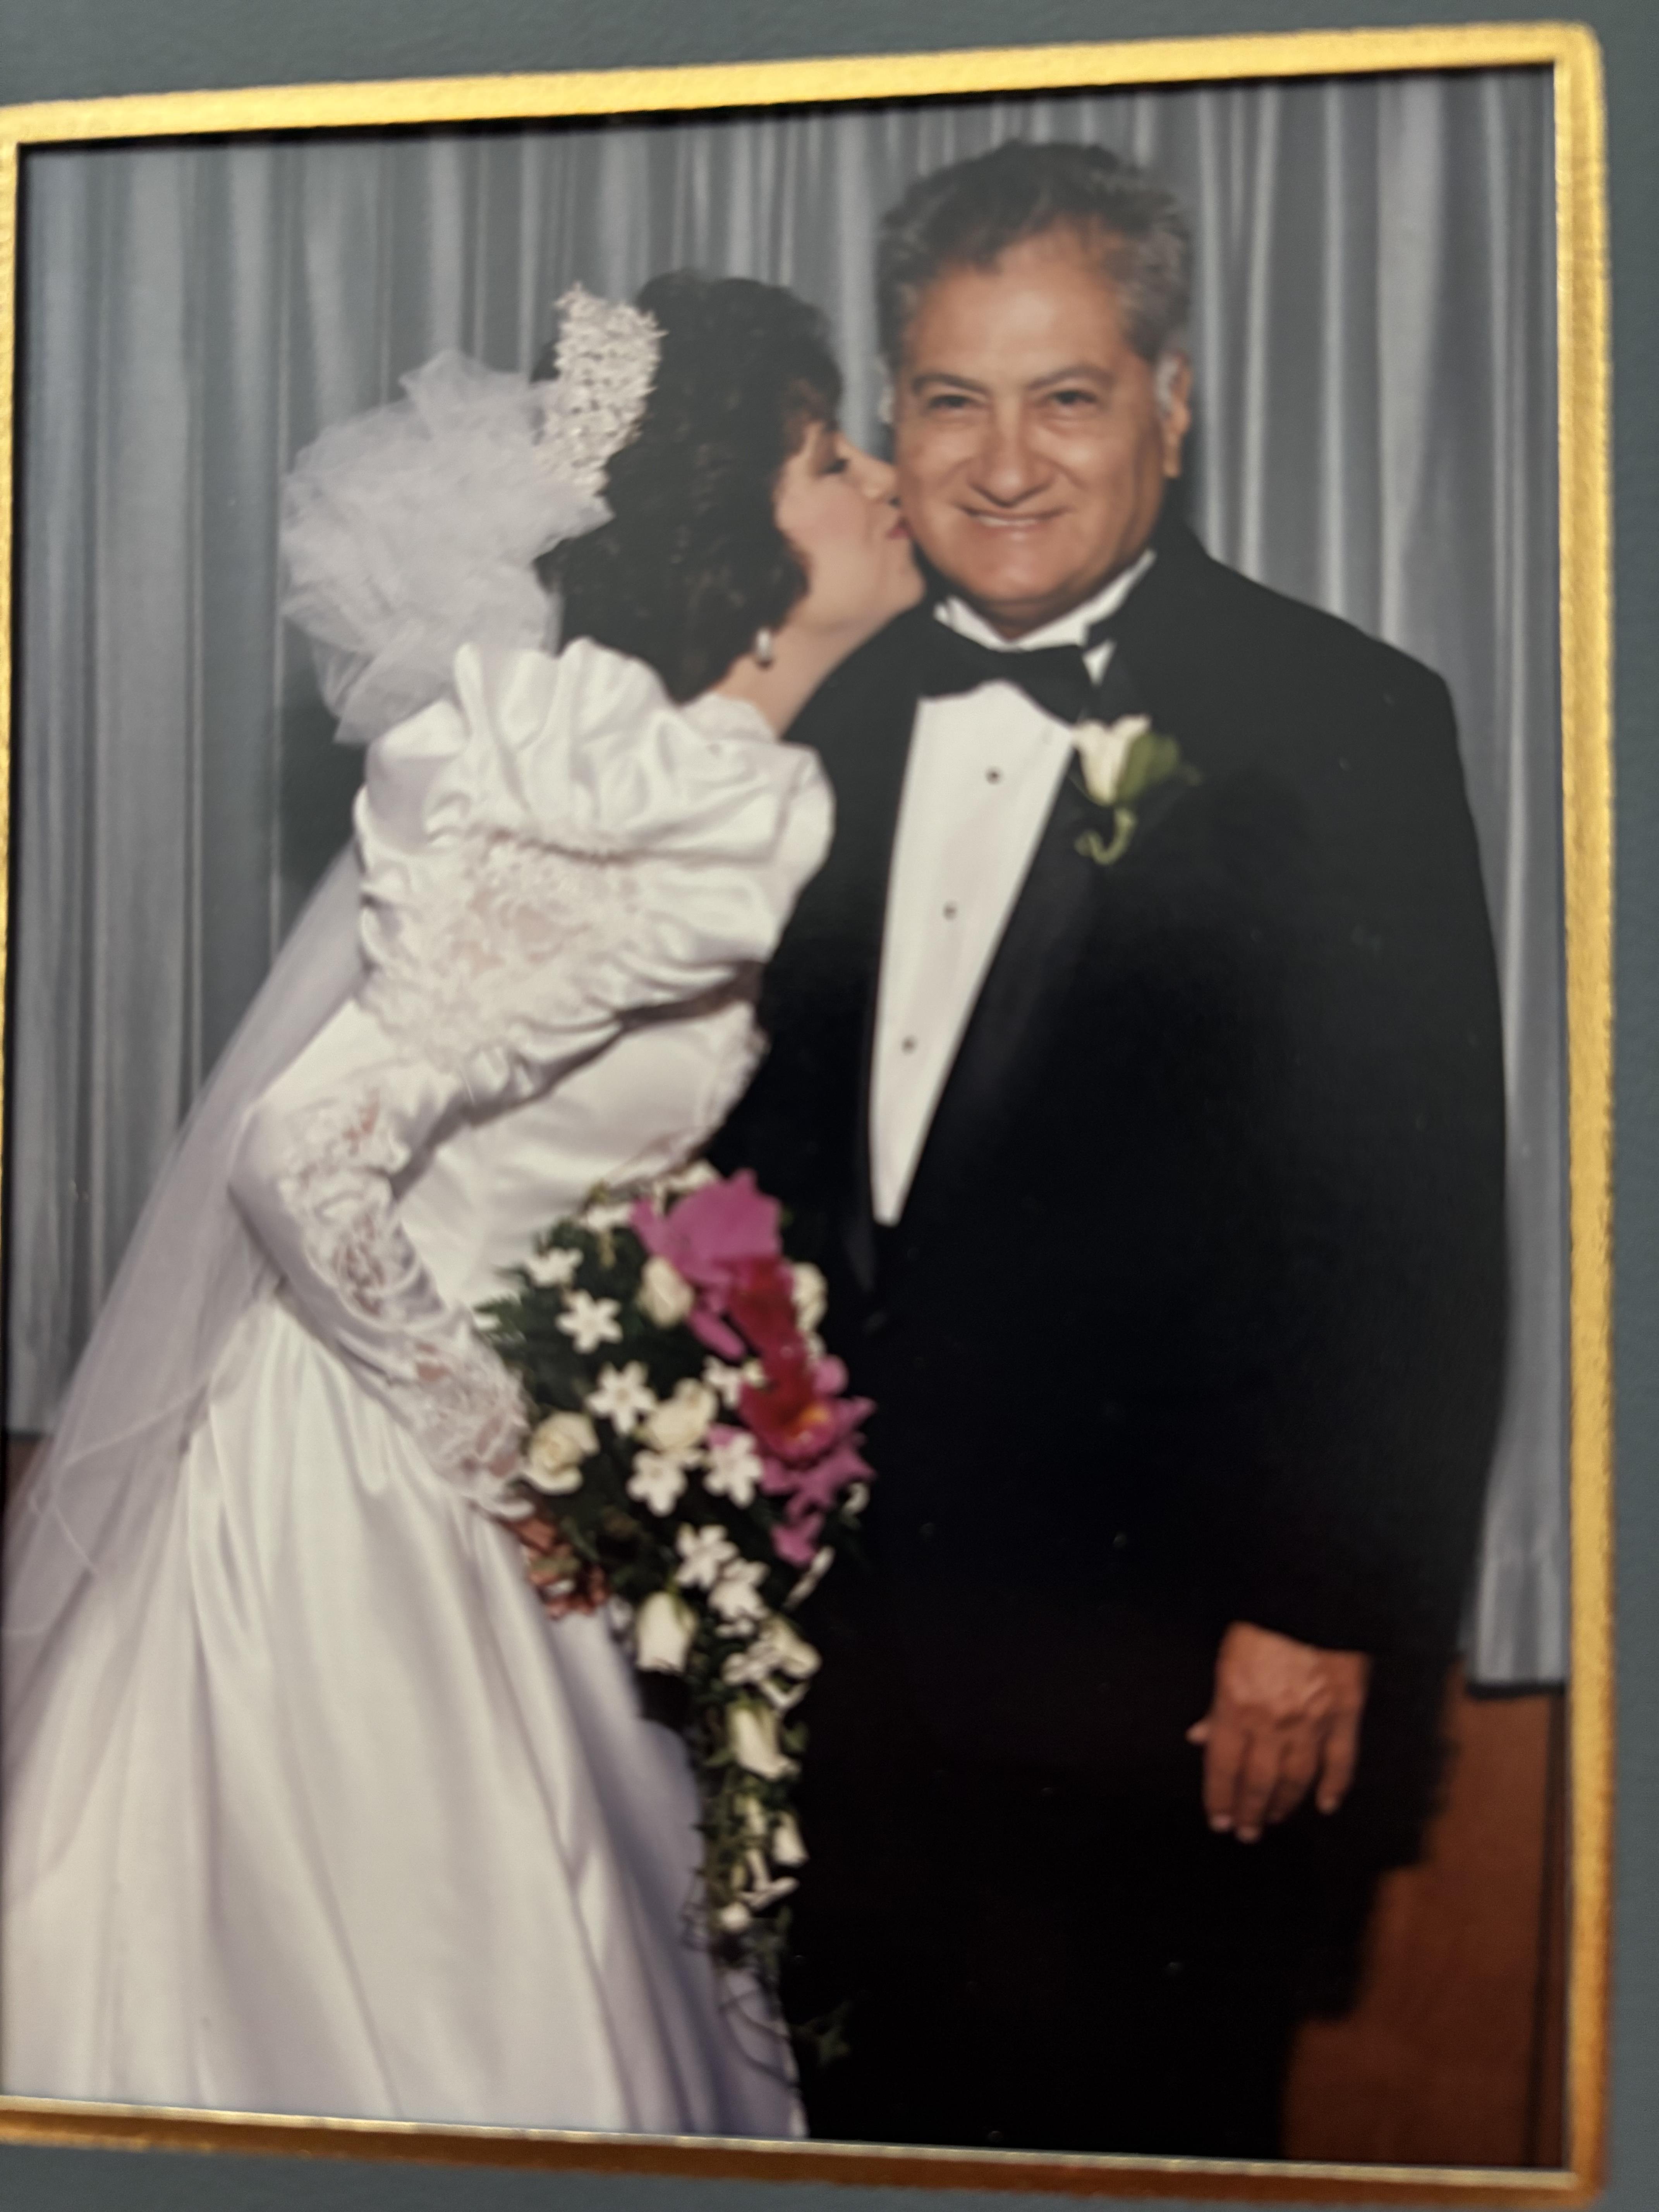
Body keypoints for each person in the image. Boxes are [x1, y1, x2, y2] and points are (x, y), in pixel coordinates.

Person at [0, 272, 921, 2131]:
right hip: (374, 1494)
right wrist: (504, 1457)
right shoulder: (626, 796)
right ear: (736, 528)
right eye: (831, 456)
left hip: (452, 1456)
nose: (890, 479)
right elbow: (305, 1153)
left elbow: (604, 1168)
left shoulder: (702, 779)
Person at [713, 142, 1508, 2159]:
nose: (999, 461)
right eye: (947, 398)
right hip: (837, 1669)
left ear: (1171, 401)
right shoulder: (827, 711)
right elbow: (761, 1161)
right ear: (892, 413)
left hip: (1166, 1676)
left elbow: (1403, 1219)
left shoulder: (1339, 718)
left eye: (1062, 394)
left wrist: (1317, 1607)